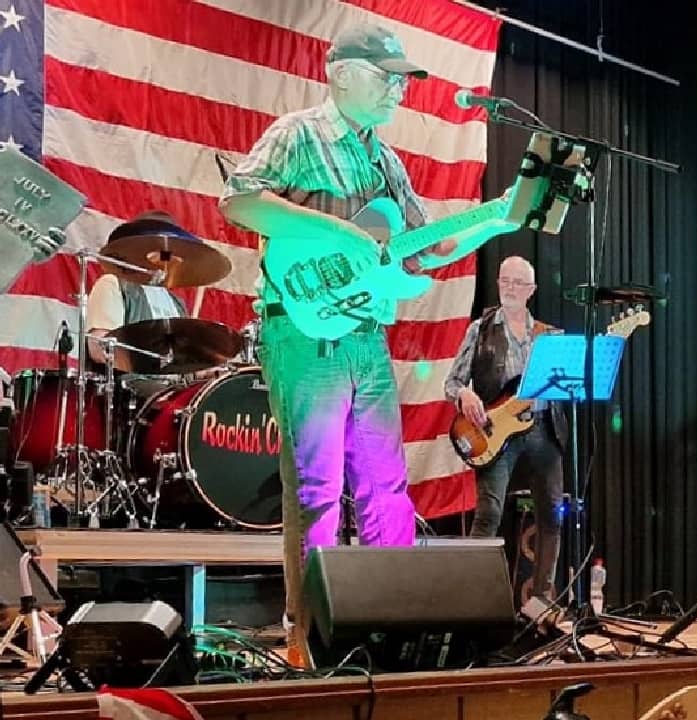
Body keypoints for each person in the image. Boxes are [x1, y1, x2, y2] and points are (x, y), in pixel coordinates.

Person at [219, 24, 508, 665]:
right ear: (343, 73)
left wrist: (499, 217)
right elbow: (237, 200)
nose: (399, 91)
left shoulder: (385, 158)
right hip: (302, 329)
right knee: (317, 488)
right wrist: (335, 231)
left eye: (403, 79)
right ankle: (309, 638)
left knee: (385, 485)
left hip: (365, 334)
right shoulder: (300, 134)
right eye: (388, 77)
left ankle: (392, 626)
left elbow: (427, 247)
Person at [443, 256, 566, 601]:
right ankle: (473, 599)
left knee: (552, 514)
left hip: (544, 429)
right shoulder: (479, 329)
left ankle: (542, 603)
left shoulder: (550, 336)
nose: (510, 288)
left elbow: (569, 385)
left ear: (532, 290)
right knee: (489, 513)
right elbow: (451, 382)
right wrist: (465, 394)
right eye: (505, 280)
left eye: (518, 283)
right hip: (495, 434)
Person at [85, 212, 189, 366]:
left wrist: (209, 370)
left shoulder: (178, 304)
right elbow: (100, 349)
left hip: (172, 387)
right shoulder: (114, 284)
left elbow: (185, 364)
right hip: (130, 385)